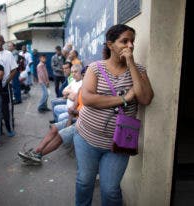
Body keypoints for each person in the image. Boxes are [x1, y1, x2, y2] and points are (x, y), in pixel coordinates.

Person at [74, 24, 154, 206]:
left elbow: (145, 98)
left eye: (132, 41)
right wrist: (124, 99)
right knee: (84, 181)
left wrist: (131, 63)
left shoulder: (139, 70)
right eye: (124, 41)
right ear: (110, 45)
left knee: (110, 190)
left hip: (119, 143)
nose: (130, 45)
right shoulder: (95, 68)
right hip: (87, 139)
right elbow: (87, 98)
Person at [0, 35, 18, 139]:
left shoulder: (8, 54)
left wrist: (6, 82)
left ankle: (9, 129)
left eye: (0, 40)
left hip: (5, 86)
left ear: (3, 42)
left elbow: (14, 70)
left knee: (7, 109)